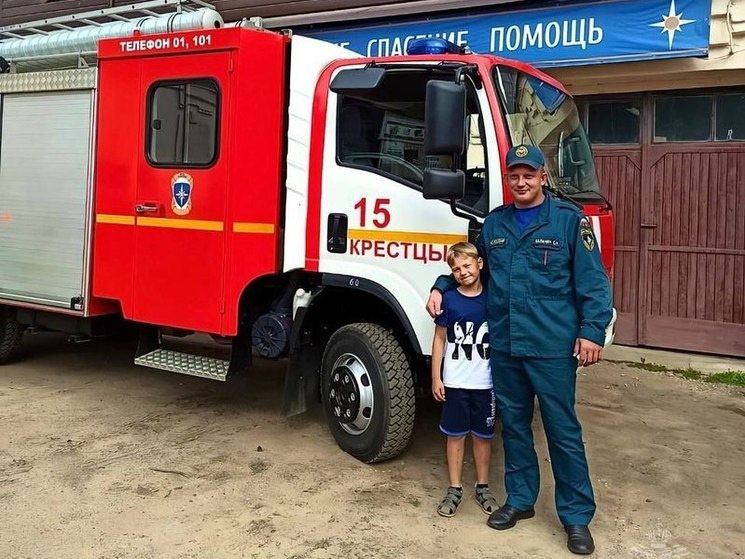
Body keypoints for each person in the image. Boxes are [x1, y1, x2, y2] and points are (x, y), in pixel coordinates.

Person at [427, 145, 612, 555]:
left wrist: (592, 332)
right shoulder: (494, 225)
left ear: (543, 177)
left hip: (551, 346)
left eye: (529, 174)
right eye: (515, 175)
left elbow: (594, 282)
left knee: (562, 432)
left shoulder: (568, 221)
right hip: (506, 346)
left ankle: (577, 517)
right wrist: (441, 287)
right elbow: (471, 272)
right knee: (513, 426)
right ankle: (522, 500)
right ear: (507, 179)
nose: (522, 181)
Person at [431, 242, 498, 518]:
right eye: (456, 269)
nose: (462, 272)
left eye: (467, 266)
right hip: (455, 382)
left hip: (485, 384)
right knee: (455, 435)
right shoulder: (449, 299)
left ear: (480, 264)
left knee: (483, 437)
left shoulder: (492, 299)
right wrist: (436, 376)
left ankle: (483, 487)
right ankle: (455, 487)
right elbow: (439, 337)